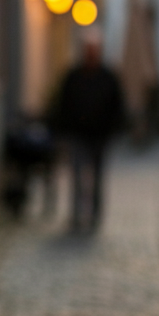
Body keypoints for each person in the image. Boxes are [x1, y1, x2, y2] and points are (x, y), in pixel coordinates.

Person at [54, 41, 126, 233]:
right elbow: (63, 105)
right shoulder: (74, 76)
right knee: (77, 176)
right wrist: (64, 130)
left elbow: (117, 106)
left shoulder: (108, 77)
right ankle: (77, 216)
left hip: (100, 137)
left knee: (97, 178)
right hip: (78, 135)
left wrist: (112, 129)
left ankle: (94, 216)